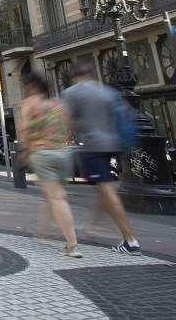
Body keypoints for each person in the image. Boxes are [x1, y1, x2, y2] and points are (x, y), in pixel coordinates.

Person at [61, 59, 141, 255]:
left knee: (106, 188)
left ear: (74, 76)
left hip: (94, 145)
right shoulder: (108, 92)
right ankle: (92, 225)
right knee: (103, 187)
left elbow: (65, 119)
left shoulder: (72, 93)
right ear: (91, 73)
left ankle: (130, 240)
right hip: (113, 144)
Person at [18, 73, 82, 258]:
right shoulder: (58, 104)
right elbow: (69, 126)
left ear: (31, 86)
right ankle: (44, 228)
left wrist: (23, 151)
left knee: (57, 198)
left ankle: (72, 244)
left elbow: (24, 130)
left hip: (42, 154)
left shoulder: (29, 104)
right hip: (62, 153)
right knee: (52, 194)